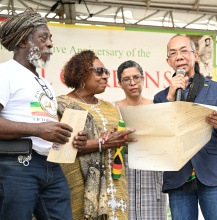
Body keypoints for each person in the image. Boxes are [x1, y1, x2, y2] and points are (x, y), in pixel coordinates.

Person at [0, 9, 87, 220]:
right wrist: (38, 130)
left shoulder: (44, 82)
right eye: (43, 37)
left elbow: (47, 128)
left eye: (50, 38)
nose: (49, 44)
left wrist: (71, 138)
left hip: (51, 166)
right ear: (23, 41)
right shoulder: (5, 73)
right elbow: (40, 128)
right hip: (17, 166)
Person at [153, 34, 217, 220]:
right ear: (168, 61)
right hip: (178, 176)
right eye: (173, 53)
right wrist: (170, 97)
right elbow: (158, 137)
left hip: (212, 173)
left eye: (184, 51)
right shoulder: (161, 97)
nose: (179, 56)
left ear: (195, 55)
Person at [56, 50, 136, 220]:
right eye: (99, 71)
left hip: (115, 185)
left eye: (107, 72)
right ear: (82, 73)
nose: (106, 76)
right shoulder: (63, 105)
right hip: (79, 186)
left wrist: (122, 139)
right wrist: (101, 143)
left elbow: (119, 144)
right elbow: (61, 149)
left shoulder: (111, 108)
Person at [115, 60, 168, 220]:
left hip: (151, 177)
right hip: (124, 177)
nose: (132, 83)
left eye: (136, 77)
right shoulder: (113, 109)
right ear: (119, 83)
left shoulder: (155, 107)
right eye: (126, 79)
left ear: (143, 79)